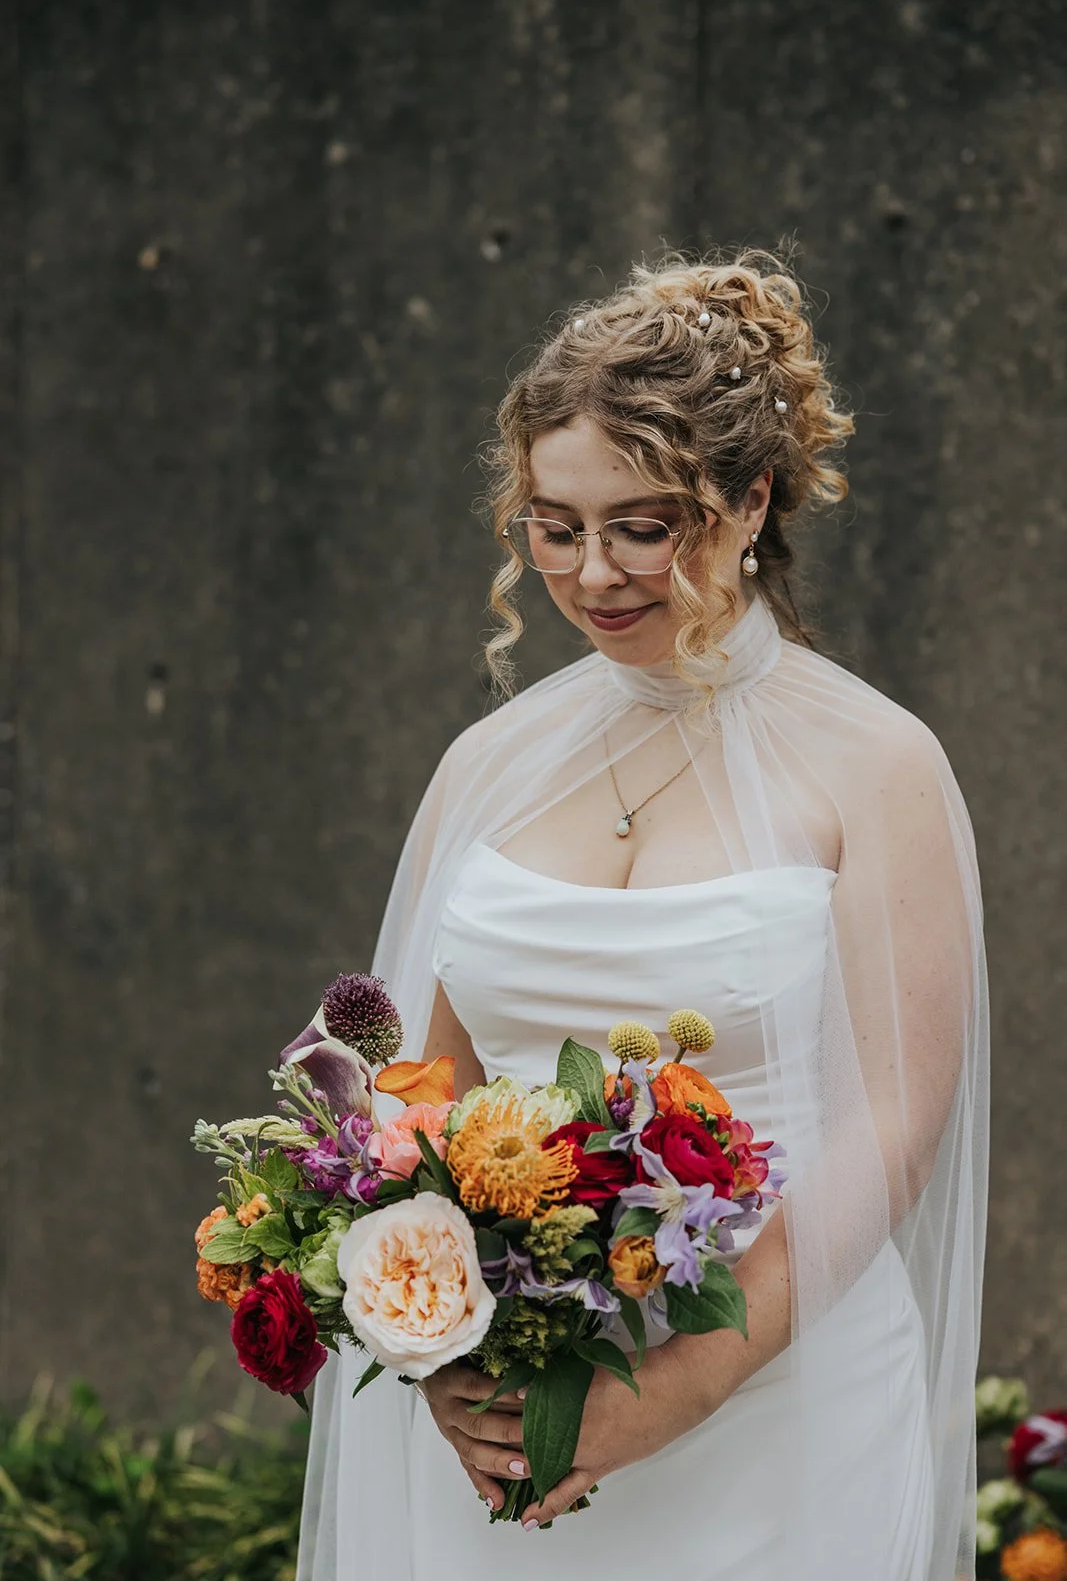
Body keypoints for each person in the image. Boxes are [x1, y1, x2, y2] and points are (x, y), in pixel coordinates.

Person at [296, 251, 988, 1581]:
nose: (593, 572)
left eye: (641, 524)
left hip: (784, 1401)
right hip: (514, 1407)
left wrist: (674, 1389)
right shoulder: (485, 768)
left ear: (747, 502)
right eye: (553, 525)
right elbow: (417, 1094)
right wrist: (425, 1343)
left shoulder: (874, 764)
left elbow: (894, 1128)